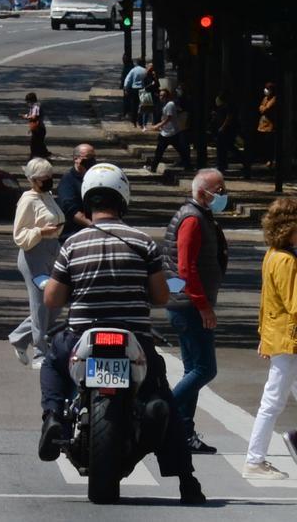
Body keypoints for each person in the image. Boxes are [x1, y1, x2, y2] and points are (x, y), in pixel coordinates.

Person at [38, 163, 205, 504]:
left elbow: (52, 298)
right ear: (123, 199)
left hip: (82, 335)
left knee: (52, 363)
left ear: (88, 201)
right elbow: (160, 295)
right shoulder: (143, 243)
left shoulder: (72, 244)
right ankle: (187, 480)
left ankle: (53, 416)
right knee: (165, 398)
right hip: (134, 339)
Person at [163, 169, 229, 454]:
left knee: (194, 370)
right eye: (220, 189)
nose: (224, 194)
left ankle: (183, 432)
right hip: (188, 305)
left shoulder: (200, 215)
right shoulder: (192, 219)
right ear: (203, 193)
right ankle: (162, 413)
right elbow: (186, 268)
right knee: (205, 369)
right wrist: (203, 306)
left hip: (188, 302)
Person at [242, 197, 297, 479]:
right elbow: (294, 303)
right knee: (273, 401)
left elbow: (267, 302)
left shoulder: (273, 255)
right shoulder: (286, 260)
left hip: (281, 337)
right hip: (290, 339)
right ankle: (255, 460)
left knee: (275, 398)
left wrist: (264, 335)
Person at [7, 158, 64, 369]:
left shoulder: (47, 196)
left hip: (53, 251)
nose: (48, 181)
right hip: (34, 254)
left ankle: (20, 337)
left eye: (50, 177)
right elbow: (18, 234)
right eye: (43, 179)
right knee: (40, 305)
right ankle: (40, 352)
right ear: (32, 180)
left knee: (56, 303)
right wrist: (41, 231)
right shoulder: (27, 200)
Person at [146, 88, 192, 172]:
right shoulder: (164, 104)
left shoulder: (170, 104)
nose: (161, 97)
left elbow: (169, 118)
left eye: (164, 96)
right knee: (159, 152)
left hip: (172, 132)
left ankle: (188, 166)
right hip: (166, 132)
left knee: (180, 151)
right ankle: (153, 167)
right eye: (160, 95)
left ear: (168, 97)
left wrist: (158, 125)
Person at [57, 144, 96, 243]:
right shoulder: (68, 180)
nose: (91, 161)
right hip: (72, 237)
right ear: (76, 159)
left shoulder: (95, 178)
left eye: (93, 158)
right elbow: (70, 209)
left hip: (92, 236)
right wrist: (93, 225)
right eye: (88, 158)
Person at [213, 93, 248, 176]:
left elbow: (229, 118)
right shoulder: (221, 107)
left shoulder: (228, 107)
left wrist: (222, 127)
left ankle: (244, 161)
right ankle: (222, 165)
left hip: (227, 130)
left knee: (228, 147)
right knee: (225, 148)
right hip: (223, 130)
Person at [257, 82, 278, 170]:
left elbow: (266, 109)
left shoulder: (274, 98)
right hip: (263, 125)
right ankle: (266, 159)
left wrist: (263, 108)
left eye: (268, 89)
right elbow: (260, 107)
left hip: (270, 126)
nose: (266, 90)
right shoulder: (265, 98)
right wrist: (262, 108)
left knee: (270, 143)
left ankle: (271, 160)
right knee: (264, 143)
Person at [22, 92, 49, 159]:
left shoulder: (36, 107)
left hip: (39, 129)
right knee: (39, 143)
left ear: (31, 100)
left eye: (28, 101)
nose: (27, 103)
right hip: (38, 128)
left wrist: (26, 117)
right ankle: (44, 153)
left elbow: (34, 117)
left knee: (34, 144)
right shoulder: (34, 107)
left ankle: (34, 156)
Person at [123, 60, 147, 126]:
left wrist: (126, 88)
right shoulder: (145, 71)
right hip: (143, 89)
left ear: (136, 64)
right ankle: (141, 121)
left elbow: (128, 79)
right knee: (143, 105)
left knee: (134, 105)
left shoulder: (133, 70)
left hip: (134, 89)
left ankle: (134, 120)